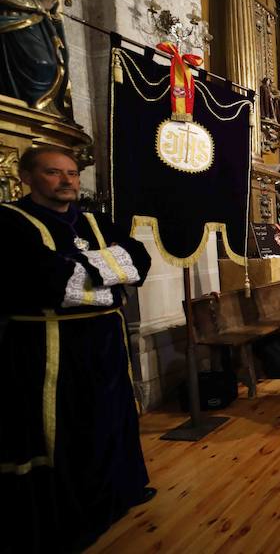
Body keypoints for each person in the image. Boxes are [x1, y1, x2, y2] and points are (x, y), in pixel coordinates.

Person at [0, 147, 154, 552]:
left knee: (114, 416)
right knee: (66, 426)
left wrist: (81, 267)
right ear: (28, 177)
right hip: (49, 344)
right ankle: (74, 515)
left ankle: (120, 491)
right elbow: (45, 279)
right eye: (54, 173)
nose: (68, 180)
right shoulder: (10, 222)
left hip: (104, 343)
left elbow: (139, 260)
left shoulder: (94, 221)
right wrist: (107, 277)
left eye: (72, 173)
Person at [0, 0, 69, 112]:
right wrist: (40, 4)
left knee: (52, 64)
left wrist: (53, 15)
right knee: (41, 65)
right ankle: (33, 105)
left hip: (36, 32)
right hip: (11, 30)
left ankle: (44, 107)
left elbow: (42, 15)